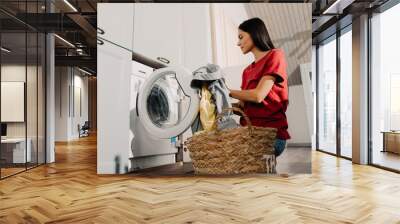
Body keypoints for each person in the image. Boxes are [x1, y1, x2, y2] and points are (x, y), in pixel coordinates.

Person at [228, 17, 290, 157]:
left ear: (254, 33)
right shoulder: (246, 71)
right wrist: (219, 103)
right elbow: (242, 107)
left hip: (270, 136)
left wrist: (227, 91)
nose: (238, 43)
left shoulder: (275, 55)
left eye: (241, 37)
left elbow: (258, 96)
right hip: (249, 133)